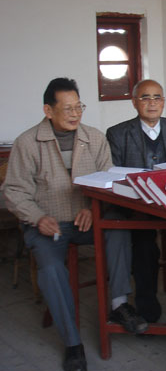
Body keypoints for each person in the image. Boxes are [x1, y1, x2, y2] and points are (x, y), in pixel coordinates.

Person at [2, 78, 147, 371]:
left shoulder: (94, 138)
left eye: (79, 107)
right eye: (67, 108)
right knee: (52, 269)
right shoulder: (28, 142)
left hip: (87, 219)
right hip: (48, 224)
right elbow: (14, 191)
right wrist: (38, 218)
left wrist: (94, 209)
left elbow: (109, 181)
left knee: (118, 229)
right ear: (48, 110)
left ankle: (119, 305)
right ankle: (72, 343)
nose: (75, 114)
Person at [106, 79, 166, 323]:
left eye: (157, 97)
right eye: (145, 97)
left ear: (163, 101)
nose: (152, 103)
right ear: (134, 102)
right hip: (137, 207)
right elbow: (112, 176)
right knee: (144, 247)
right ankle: (147, 307)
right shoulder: (118, 133)